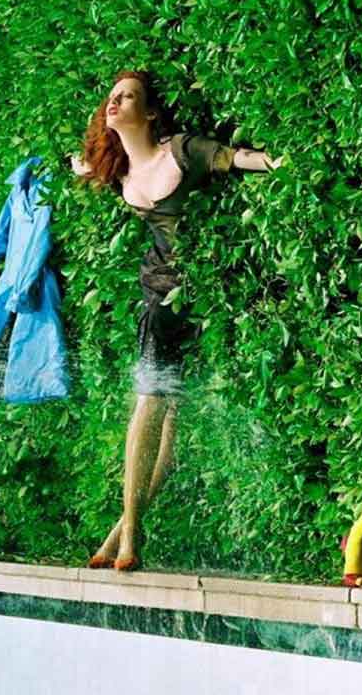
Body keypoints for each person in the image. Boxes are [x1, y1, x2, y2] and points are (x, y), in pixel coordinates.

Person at [72, 71, 280, 571]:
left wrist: (279, 161)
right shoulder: (119, 170)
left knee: (171, 423)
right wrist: (76, 166)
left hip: (202, 296)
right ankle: (129, 534)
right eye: (112, 97)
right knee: (151, 403)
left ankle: (123, 531)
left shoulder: (181, 151)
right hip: (159, 299)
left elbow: (235, 158)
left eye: (128, 97)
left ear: (149, 113)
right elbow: (82, 166)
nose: (115, 103)